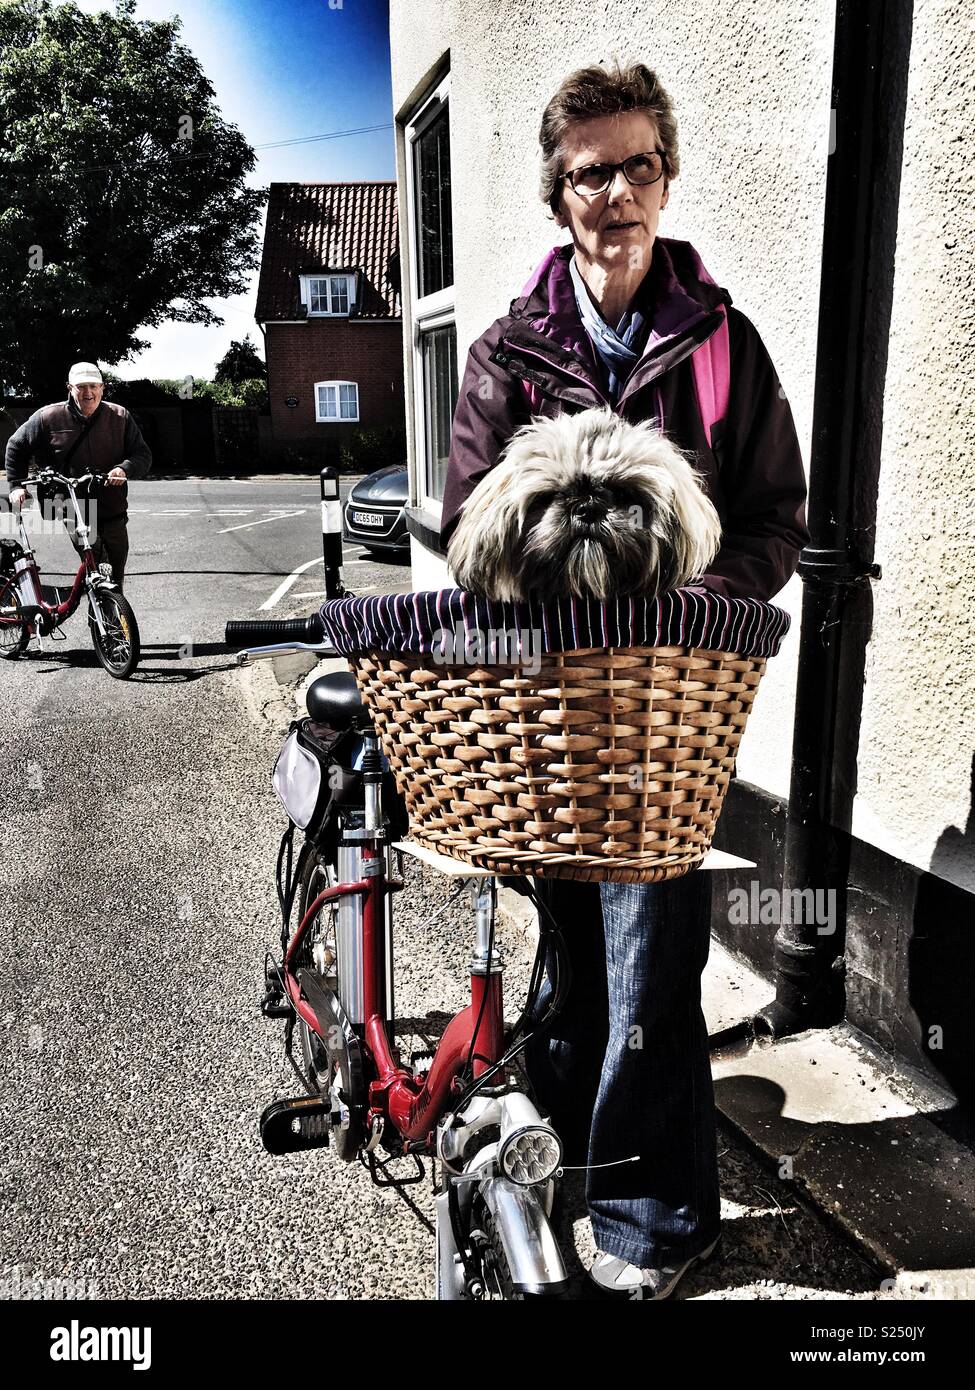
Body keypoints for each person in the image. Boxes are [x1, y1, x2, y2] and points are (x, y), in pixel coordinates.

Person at [440, 61, 810, 1299]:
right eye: (590, 170)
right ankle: (557, 1167)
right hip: (542, 718)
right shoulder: (506, 351)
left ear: (666, 177)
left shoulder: (722, 343)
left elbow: (772, 518)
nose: (617, 191)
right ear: (560, 194)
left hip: (664, 717)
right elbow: (466, 525)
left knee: (654, 954)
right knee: (569, 957)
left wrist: (696, 608)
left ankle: (652, 1224)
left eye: (638, 164)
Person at [5, 362, 152, 590]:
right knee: (95, 560)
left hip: (112, 505)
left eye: (93, 386)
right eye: (81, 386)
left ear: (103, 388)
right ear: (69, 388)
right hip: (73, 504)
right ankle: (101, 606)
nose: (88, 393)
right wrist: (16, 485)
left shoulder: (120, 416)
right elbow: (16, 445)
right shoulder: (48, 417)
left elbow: (142, 455)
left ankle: (113, 620)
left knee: (116, 568)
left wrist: (124, 468)